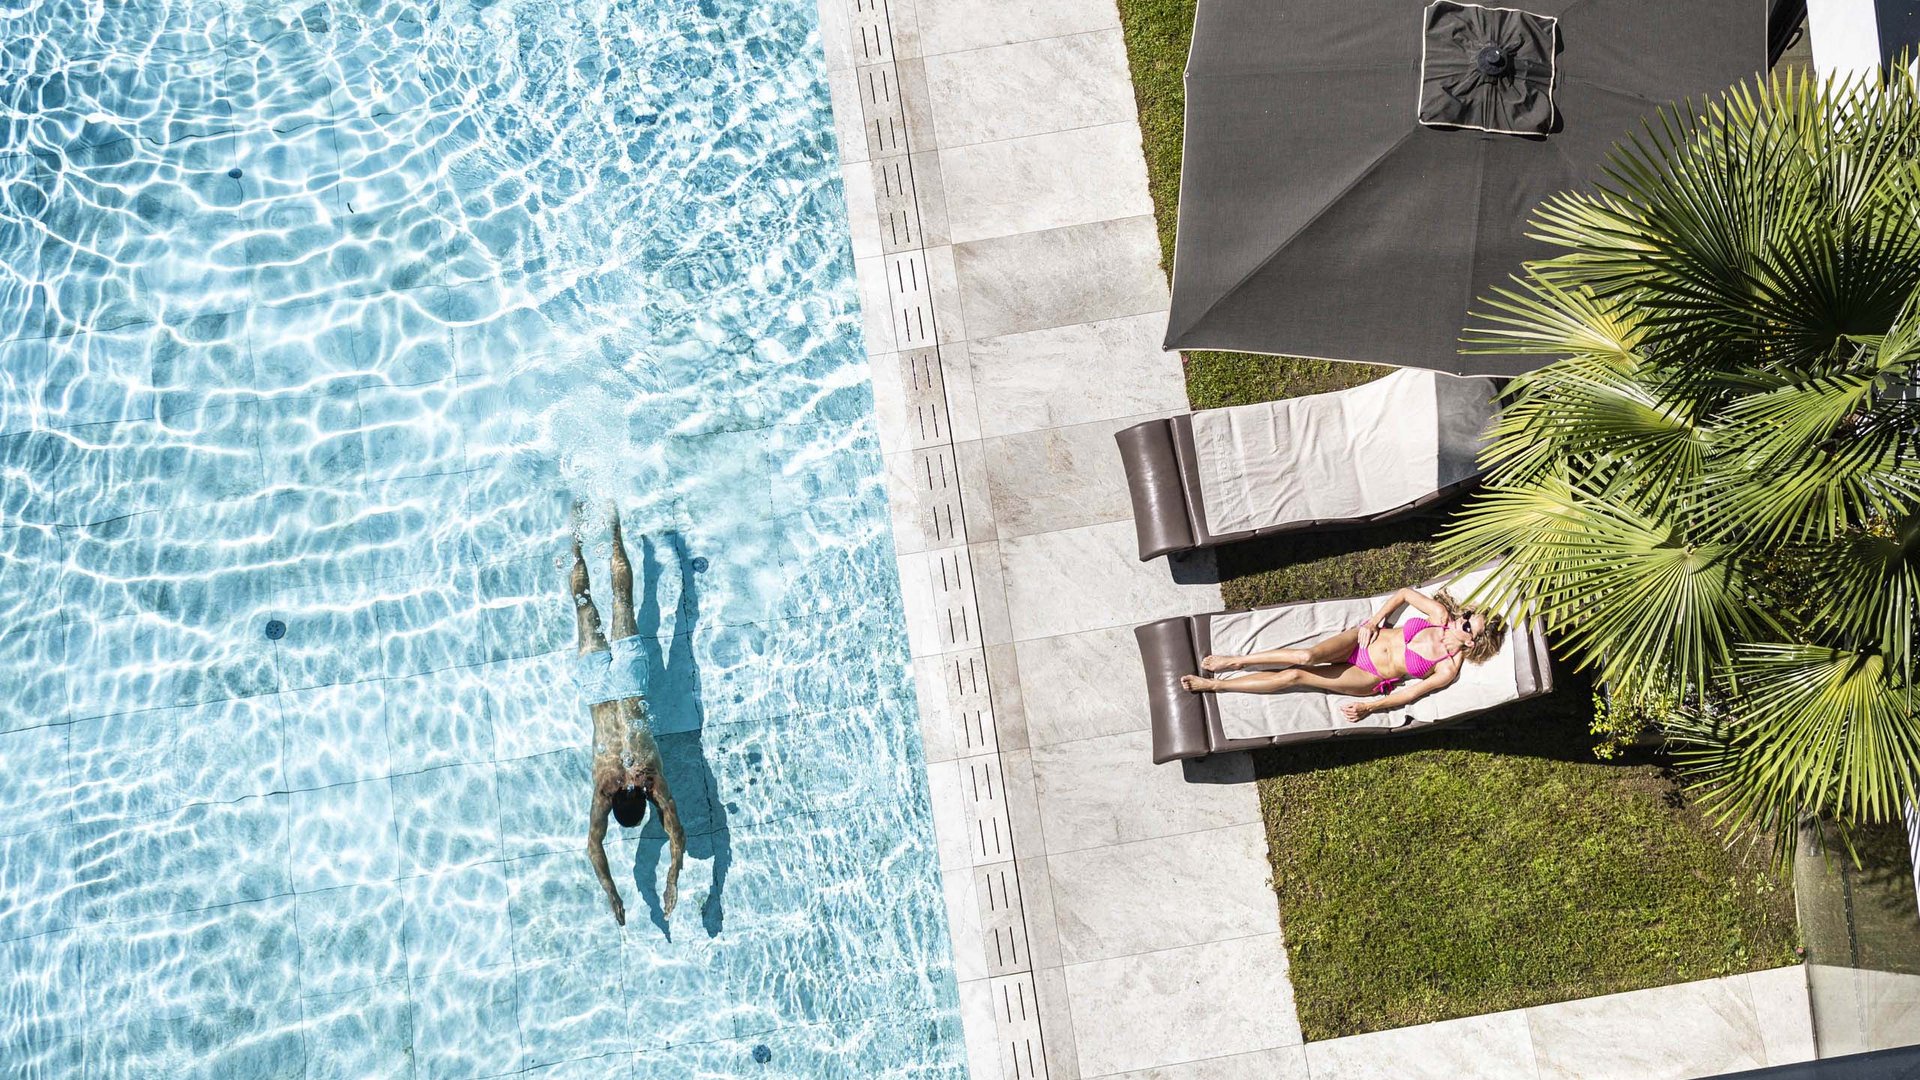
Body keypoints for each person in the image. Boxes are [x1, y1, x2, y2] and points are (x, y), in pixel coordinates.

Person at [576, 508, 684, 926]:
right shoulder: (605, 789)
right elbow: (593, 846)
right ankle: (584, 541)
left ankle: (614, 529)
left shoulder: (651, 782)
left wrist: (673, 875)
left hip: (629, 680)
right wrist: (612, 890)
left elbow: (677, 837)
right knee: (586, 606)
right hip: (598, 689)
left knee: (621, 601)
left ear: (640, 802)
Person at [1179, 586, 1507, 722]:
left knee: (1296, 676)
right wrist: (1373, 621)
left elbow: (1408, 694)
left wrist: (1369, 706)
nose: (1461, 622)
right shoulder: (1438, 616)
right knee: (1306, 656)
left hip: (1368, 676)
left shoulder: (1447, 668)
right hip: (1361, 641)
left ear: (1471, 644)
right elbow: (1405, 594)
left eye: (1468, 627)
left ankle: (1216, 686)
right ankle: (1235, 661)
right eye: (1466, 616)